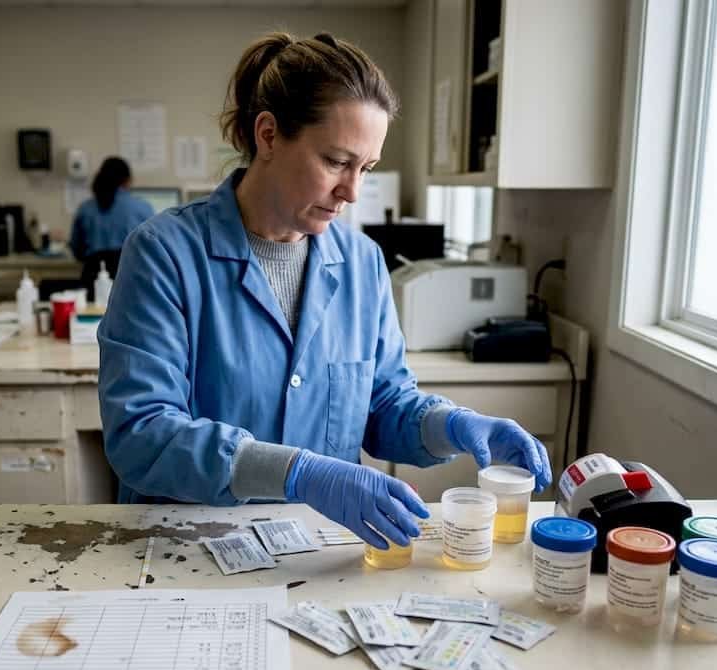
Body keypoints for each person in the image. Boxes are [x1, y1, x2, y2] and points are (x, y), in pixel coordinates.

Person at [98, 31, 552, 550]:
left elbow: (383, 405)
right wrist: (298, 472)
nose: (352, 191)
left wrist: (452, 424)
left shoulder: (362, 263)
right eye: (337, 162)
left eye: (367, 168)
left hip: (314, 552)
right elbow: (141, 433)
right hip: (187, 545)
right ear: (267, 135)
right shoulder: (164, 253)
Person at [68, 157, 155, 281]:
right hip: (130, 281)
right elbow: (152, 249)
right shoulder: (143, 208)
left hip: (93, 281)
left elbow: (77, 250)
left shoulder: (85, 209)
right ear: (127, 181)